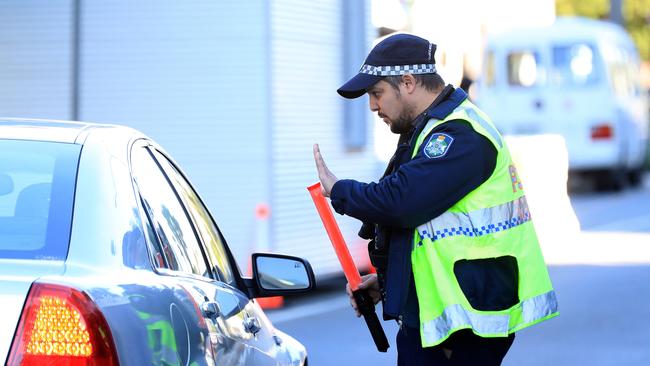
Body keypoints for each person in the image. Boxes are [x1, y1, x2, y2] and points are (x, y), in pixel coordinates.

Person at [312, 33, 558, 365]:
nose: (372, 106)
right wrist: (387, 284)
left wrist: (339, 189)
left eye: (377, 93)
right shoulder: (431, 130)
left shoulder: (460, 135)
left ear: (408, 82)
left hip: (466, 327)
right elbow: (425, 230)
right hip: (448, 320)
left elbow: (401, 202)